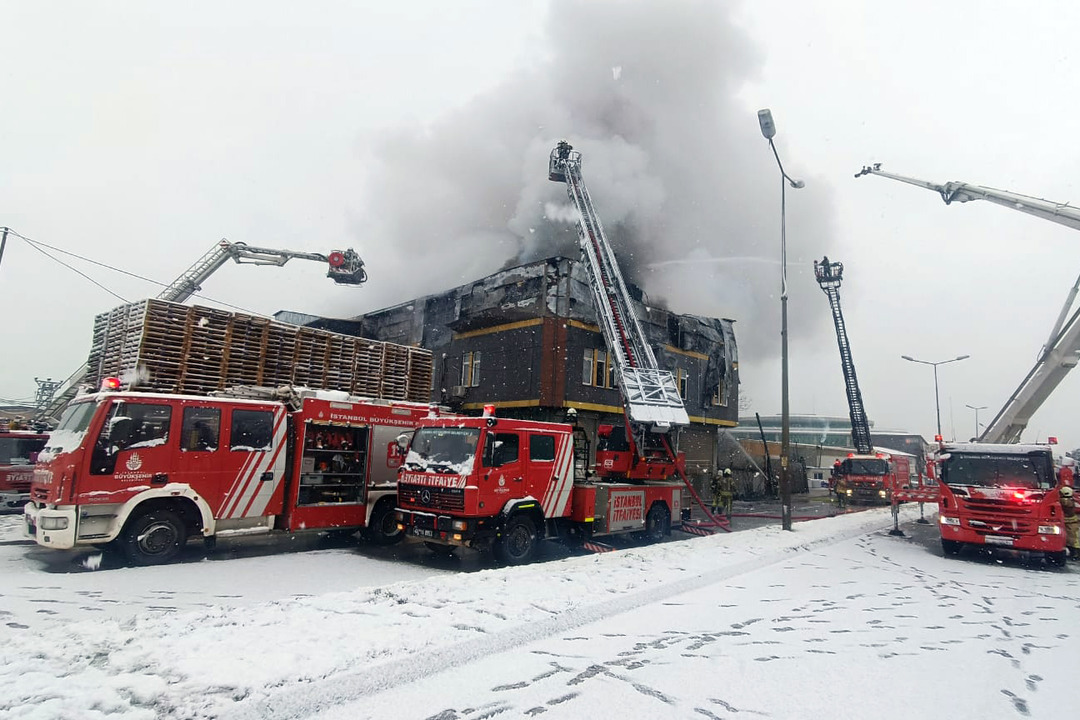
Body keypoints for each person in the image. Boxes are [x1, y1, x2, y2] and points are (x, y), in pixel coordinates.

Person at [1060, 485, 1079, 560]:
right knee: (1072, 538)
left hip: (1070, 521)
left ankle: (1075, 553)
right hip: (1071, 521)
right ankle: (1074, 553)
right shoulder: (1073, 500)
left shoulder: (1065, 501)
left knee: (1072, 539)